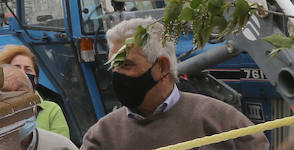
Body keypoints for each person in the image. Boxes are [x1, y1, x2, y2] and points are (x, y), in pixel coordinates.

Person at [80, 17, 264, 149]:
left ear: (162, 66)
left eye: (127, 65)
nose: (117, 74)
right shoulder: (102, 137)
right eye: (114, 66)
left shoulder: (223, 121)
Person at [0, 43, 71, 138]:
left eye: (28, 69)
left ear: (36, 79)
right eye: (16, 68)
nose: (22, 73)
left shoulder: (52, 110)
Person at [2, 67, 79, 149]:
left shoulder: (62, 147)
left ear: (35, 106)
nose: (15, 105)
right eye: (4, 98)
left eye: (21, 94)